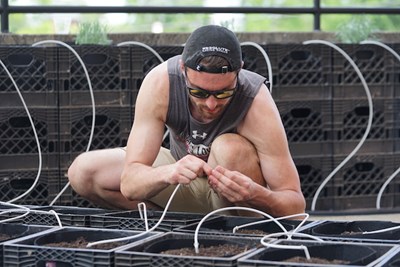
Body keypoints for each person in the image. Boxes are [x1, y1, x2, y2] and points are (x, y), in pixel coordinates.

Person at [67, 25, 305, 217]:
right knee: (83, 171)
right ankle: (173, 225)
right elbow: (130, 183)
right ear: (183, 69)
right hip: (184, 180)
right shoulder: (161, 83)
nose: (211, 104)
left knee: (229, 148)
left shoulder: (256, 101)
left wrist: (258, 195)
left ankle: (233, 234)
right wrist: (168, 172)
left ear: (239, 72)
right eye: (199, 93)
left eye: (223, 93)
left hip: (237, 202)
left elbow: (295, 206)